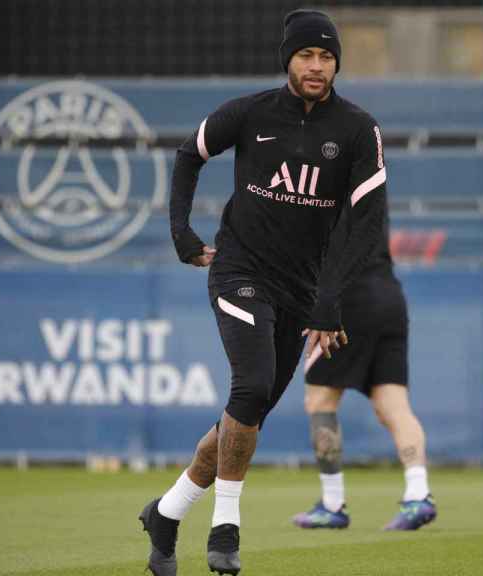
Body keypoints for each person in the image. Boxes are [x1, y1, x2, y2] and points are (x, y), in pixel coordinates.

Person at [139, 9, 387, 576]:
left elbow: (366, 223)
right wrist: (181, 234)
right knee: (248, 387)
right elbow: (187, 156)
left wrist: (330, 298)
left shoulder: (356, 129)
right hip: (238, 272)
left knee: (243, 417)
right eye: (307, 55)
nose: (317, 66)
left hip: (301, 294)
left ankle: (167, 513)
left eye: (326, 57)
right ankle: (226, 531)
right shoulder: (250, 113)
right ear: (288, 59)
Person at [291, 206, 436, 531]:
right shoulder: (369, 184)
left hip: (347, 302)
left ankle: (332, 504)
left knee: (320, 402)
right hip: (390, 297)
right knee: (393, 407)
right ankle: (418, 494)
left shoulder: (324, 186)